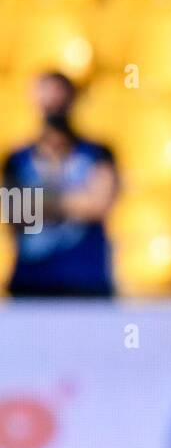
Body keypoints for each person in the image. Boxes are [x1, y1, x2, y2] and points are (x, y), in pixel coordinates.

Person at [3, 71, 118, 297]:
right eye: (48, 101)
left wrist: (39, 202)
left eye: (59, 100)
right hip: (32, 282)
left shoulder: (98, 154)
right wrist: (76, 201)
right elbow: (16, 214)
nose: (54, 109)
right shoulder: (16, 160)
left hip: (86, 282)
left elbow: (100, 205)